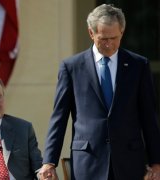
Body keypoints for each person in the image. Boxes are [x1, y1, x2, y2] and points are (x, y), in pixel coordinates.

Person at [39, 4, 160, 180]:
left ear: (122, 32)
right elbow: (59, 117)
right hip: (88, 161)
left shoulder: (138, 65)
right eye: (103, 38)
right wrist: (49, 162)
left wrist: (156, 162)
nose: (109, 44)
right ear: (91, 33)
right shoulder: (72, 67)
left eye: (114, 38)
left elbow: (149, 116)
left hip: (129, 161)